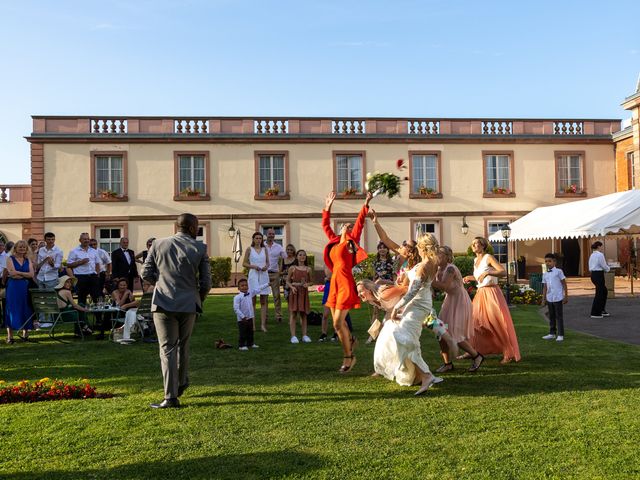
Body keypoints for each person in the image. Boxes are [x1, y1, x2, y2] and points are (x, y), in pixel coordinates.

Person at [142, 213, 211, 409]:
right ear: (191, 228)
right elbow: (206, 283)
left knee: (167, 348)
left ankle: (171, 396)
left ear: (177, 226)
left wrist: (163, 283)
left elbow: (145, 274)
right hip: (189, 302)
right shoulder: (200, 248)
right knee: (183, 345)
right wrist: (199, 298)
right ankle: (180, 383)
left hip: (164, 301)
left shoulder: (157, 244)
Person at [322, 190, 372, 373]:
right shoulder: (334, 242)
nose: (348, 227)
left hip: (345, 283)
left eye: (350, 227)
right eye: (346, 226)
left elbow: (360, 222)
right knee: (338, 324)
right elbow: (325, 225)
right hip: (334, 283)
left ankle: (349, 356)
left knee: (337, 323)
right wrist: (328, 207)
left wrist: (365, 204)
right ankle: (350, 340)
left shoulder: (352, 242)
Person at [389, 233, 444, 395]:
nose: (416, 250)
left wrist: (396, 307)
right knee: (409, 339)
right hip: (421, 303)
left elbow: (412, 291)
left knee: (404, 338)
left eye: (418, 247)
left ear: (422, 248)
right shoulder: (431, 263)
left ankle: (426, 375)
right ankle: (423, 375)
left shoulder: (424, 266)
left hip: (418, 305)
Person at [464, 237, 521, 364]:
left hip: (491, 293)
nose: (474, 246)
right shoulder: (475, 260)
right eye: (472, 244)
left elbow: (503, 272)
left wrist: (489, 273)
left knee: (496, 323)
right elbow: (480, 276)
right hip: (481, 293)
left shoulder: (488, 257)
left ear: (483, 246)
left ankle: (508, 353)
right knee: (475, 322)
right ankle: (472, 350)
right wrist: (471, 277)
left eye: (476, 244)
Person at [431, 245, 483, 372]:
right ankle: (447, 363)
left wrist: (427, 279)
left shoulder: (450, 269)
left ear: (447, 257)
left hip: (459, 301)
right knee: (441, 331)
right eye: (436, 253)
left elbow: (444, 286)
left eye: (440, 254)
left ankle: (477, 356)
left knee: (454, 334)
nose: (437, 256)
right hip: (449, 301)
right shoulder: (438, 269)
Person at [357, 280, 408, 381]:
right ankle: (381, 368)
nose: (359, 294)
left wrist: (402, 307)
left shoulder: (384, 294)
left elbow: (406, 288)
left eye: (361, 291)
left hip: (404, 312)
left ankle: (400, 367)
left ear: (369, 290)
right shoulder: (371, 300)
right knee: (382, 341)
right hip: (391, 314)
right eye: (358, 292)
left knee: (393, 340)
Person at [369, 210, 421, 287]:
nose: (401, 245)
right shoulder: (399, 254)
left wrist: (382, 282)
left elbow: (404, 285)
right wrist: (375, 222)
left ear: (409, 252)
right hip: (395, 286)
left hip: (404, 290)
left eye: (404, 244)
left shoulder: (411, 265)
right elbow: (385, 238)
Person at [67, 233, 102, 338]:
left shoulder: (94, 251)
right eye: (84, 239)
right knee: (81, 301)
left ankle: (99, 323)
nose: (87, 240)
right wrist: (80, 262)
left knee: (97, 299)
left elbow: (97, 264)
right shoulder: (74, 251)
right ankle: (82, 325)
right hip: (81, 278)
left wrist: (97, 274)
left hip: (93, 277)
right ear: (80, 240)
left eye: (88, 239)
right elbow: (68, 265)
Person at [4, 240, 35, 343]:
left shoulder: (28, 260)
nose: (22, 249)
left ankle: (25, 335)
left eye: (24, 247)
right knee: (12, 309)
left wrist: (18, 272)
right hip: (13, 287)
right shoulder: (10, 259)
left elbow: (31, 275)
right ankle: (10, 337)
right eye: (20, 247)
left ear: (26, 249)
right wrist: (23, 274)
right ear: (15, 248)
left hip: (24, 287)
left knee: (25, 308)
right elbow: (12, 275)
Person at [242, 232, 270, 332]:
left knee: (263, 300)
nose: (258, 240)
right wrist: (253, 266)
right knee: (252, 301)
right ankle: (252, 325)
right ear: (253, 239)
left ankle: (262, 325)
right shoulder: (249, 249)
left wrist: (266, 267)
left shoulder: (264, 249)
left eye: (260, 238)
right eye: (256, 238)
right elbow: (244, 263)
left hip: (263, 275)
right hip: (253, 275)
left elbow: (268, 262)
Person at [233, 278, 269, 351]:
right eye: (242, 286)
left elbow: (258, 289)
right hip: (242, 319)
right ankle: (242, 345)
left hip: (250, 317)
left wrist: (267, 284)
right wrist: (242, 316)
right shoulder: (237, 297)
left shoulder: (250, 294)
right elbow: (236, 308)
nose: (244, 287)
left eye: (246, 285)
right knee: (243, 332)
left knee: (250, 331)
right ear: (238, 288)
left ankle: (250, 343)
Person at [286, 249, 312, 343]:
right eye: (300, 255)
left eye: (304, 255)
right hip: (295, 292)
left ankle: (304, 335)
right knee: (293, 314)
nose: (302, 256)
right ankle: (293, 336)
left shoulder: (308, 269)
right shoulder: (292, 268)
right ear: (297, 256)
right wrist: (292, 287)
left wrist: (307, 285)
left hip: (303, 292)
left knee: (304, 314)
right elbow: (287, 281)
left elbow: (311, 281)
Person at [541, 253, 568, 341]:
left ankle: (560, 334)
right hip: (549, 297)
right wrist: (543, 299)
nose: (548, 263)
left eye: (549, 261)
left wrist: (566, 296)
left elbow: (564, 284)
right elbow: (545, 287)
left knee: (558, 316)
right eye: (546, 261)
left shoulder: (559, 271)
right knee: (551, 316)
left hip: (558, 297)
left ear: (554, 262)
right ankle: (552, 333)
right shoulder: (545, 274)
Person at [264, 228, 286, 323]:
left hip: (275, 274)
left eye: (273, 234)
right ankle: (265, 316)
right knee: (264, 295)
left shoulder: (279, 246)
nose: (271, 235)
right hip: (264, 274)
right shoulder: (262, 246)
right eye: (270, 234)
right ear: (266, 234)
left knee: (276, 296)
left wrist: (282, 270)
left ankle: (278, 315)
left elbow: (285, 258)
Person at [589, 241, 610, 319]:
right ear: (598, 247)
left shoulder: (592, 255)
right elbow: (603, 264)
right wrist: (608, 269)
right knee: (599, 293)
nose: (602, 248)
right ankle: (595, 312)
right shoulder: (600, 255)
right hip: (598, 274)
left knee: (604, 291)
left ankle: (601, 309)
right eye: (601, 246)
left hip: (594, 274)